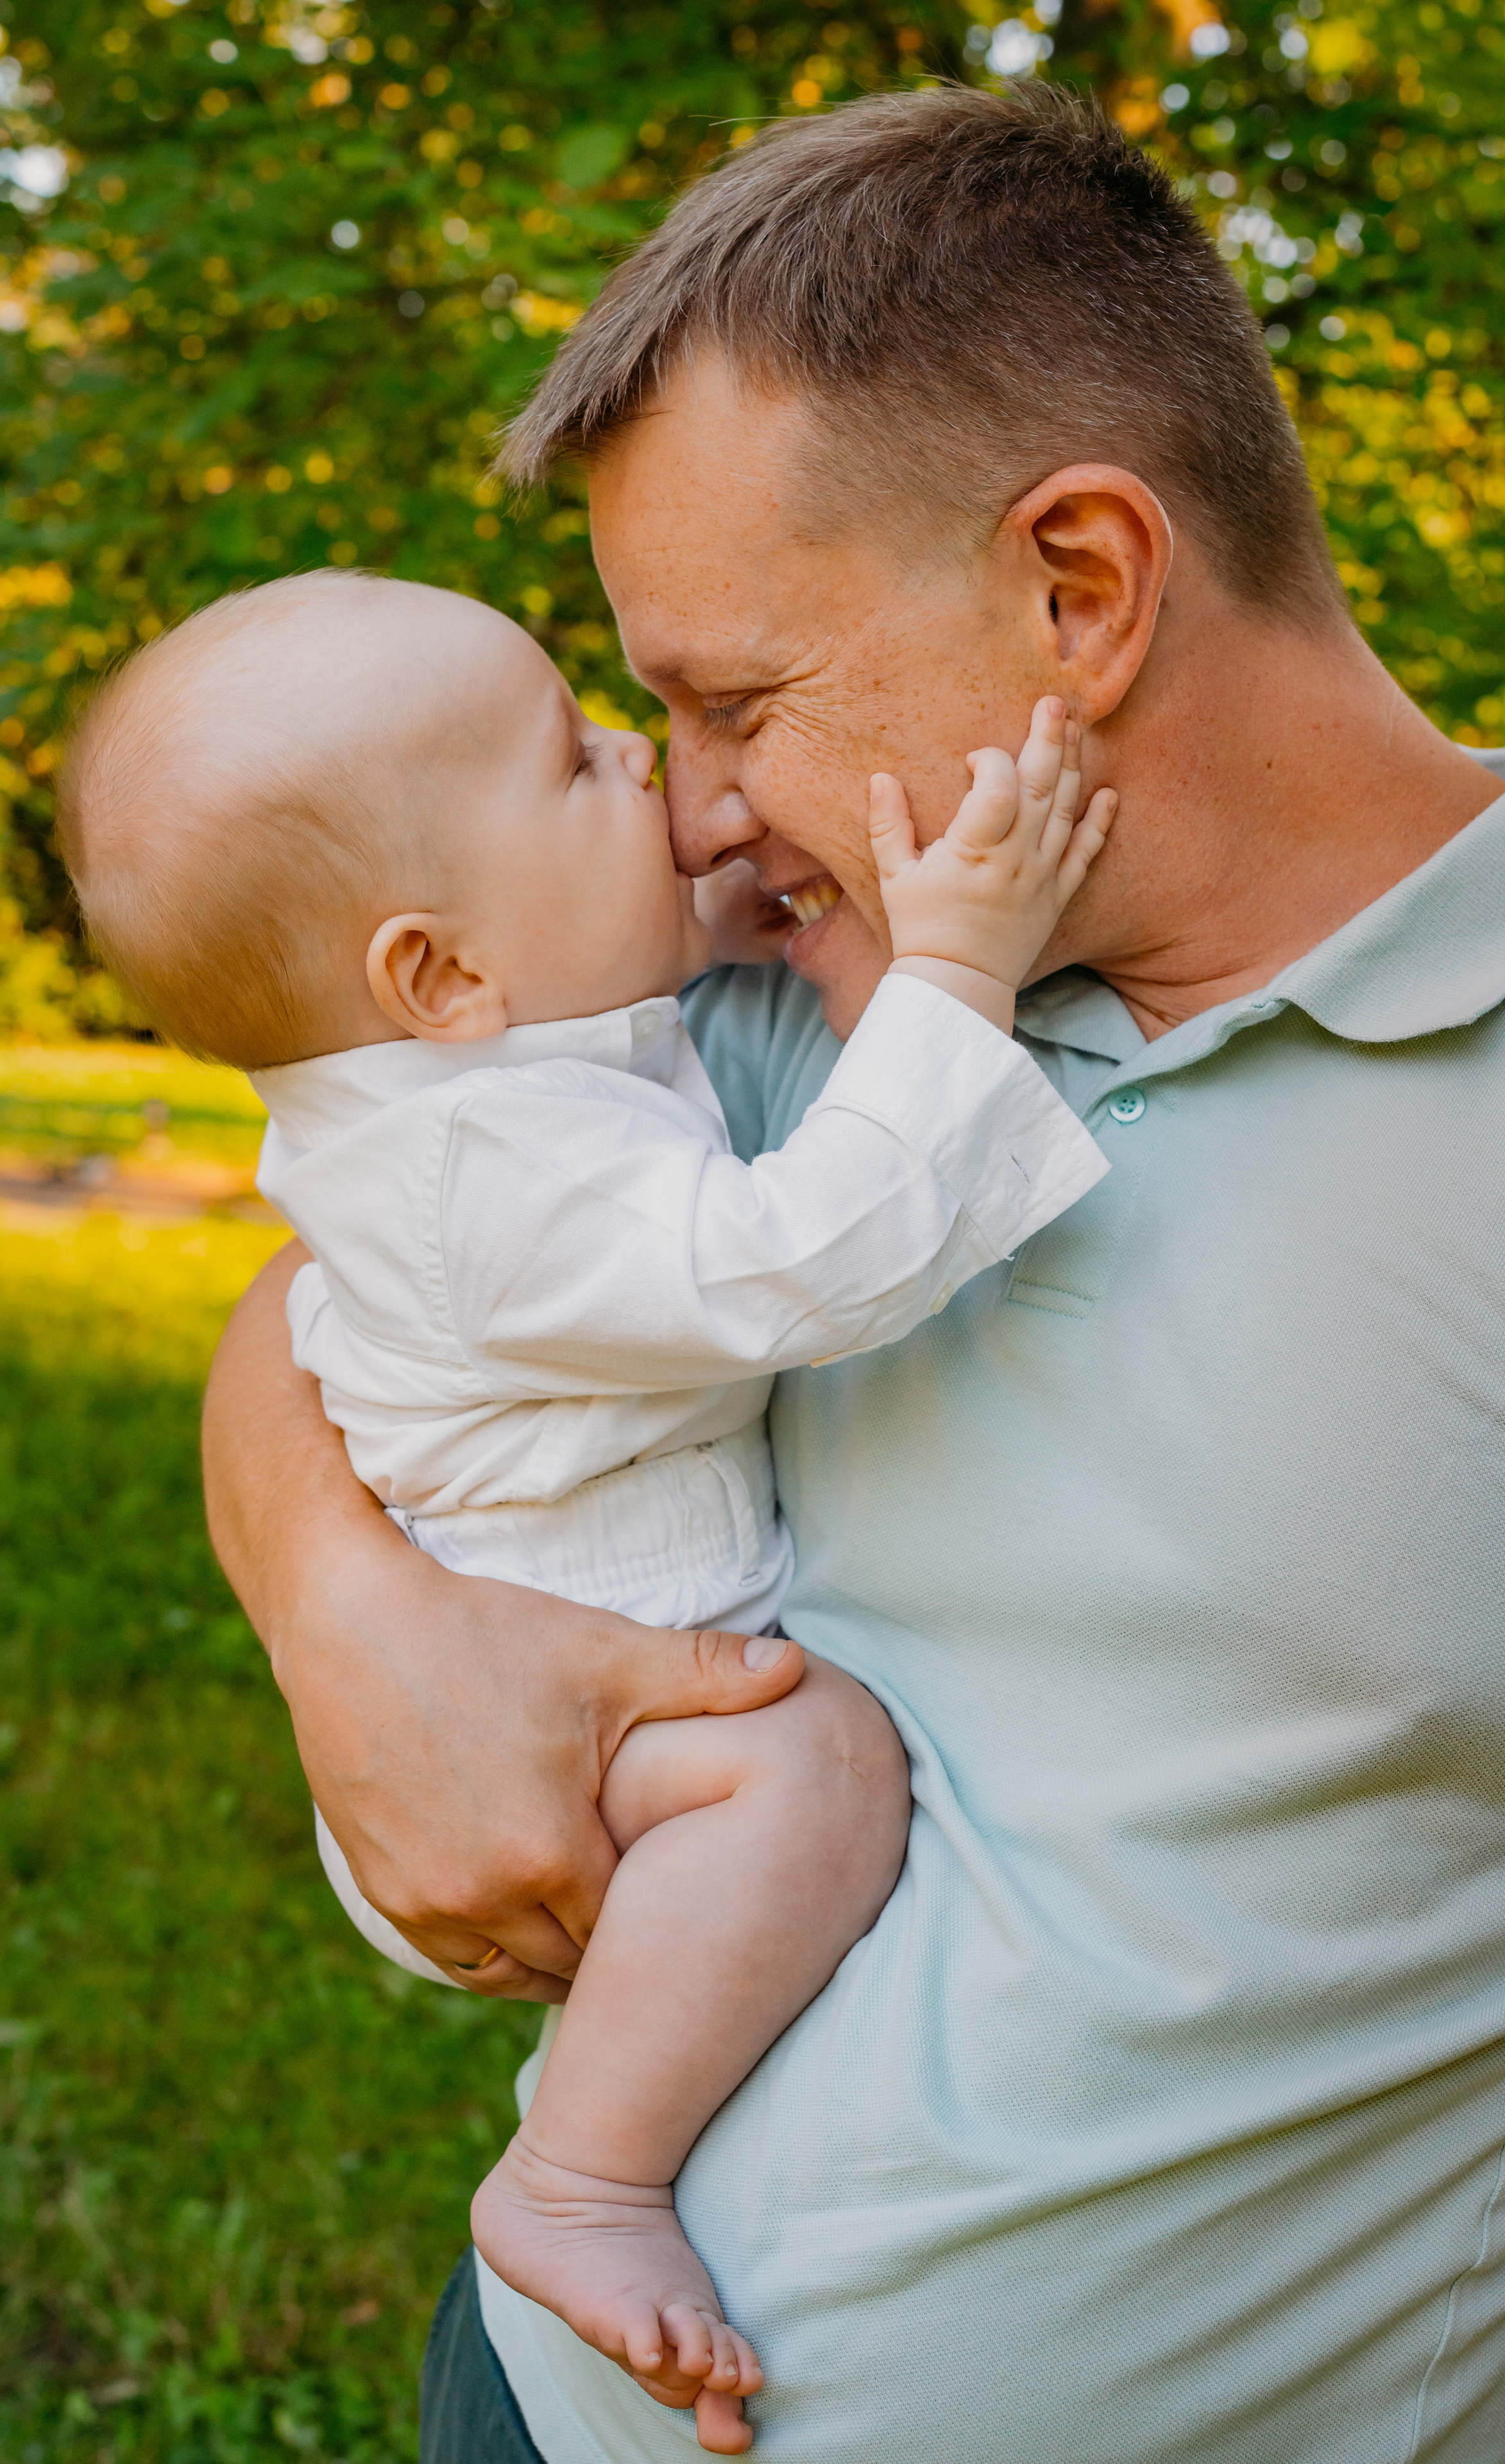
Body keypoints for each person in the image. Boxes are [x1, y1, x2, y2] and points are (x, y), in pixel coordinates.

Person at [201, 80, 1505, 2464]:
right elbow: (348, 1278)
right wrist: (347, 1617)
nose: (685, 810)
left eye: (736, 702)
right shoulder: (786, 996)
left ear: (1081, 589)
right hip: (540, 2392)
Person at [57, 572, 1110, 2451]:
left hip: (541, 1668)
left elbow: (623, 1021)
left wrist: (692, 903)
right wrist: (958, 970)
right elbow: (798, 1264)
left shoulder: (484, 1072)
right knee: (818, 1765)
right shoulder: (484, 1181)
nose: (640, 761)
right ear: (439, 975)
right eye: (577, 759)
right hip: (546, 1742)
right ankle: (581, 2176)